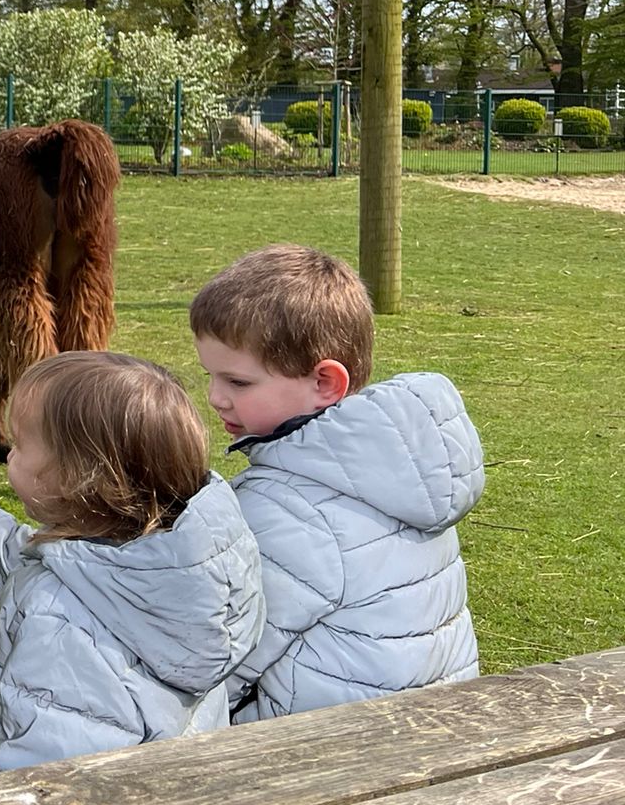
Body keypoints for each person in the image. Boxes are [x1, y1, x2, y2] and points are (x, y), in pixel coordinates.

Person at [191, 243, 485, 721]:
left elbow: (228, 654)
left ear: (325, 383)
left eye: (238, 383)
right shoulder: (399, 470)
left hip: (323, 748)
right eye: (211, 377)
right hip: (432, 724)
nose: (215, 398)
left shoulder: (286, 506)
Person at [0, 350, 264, 778]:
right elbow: (42, 564)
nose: (10, 456)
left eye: (20, 445)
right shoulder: (183, 570)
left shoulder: (57, 624)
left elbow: (44, 780)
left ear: (74, 478)